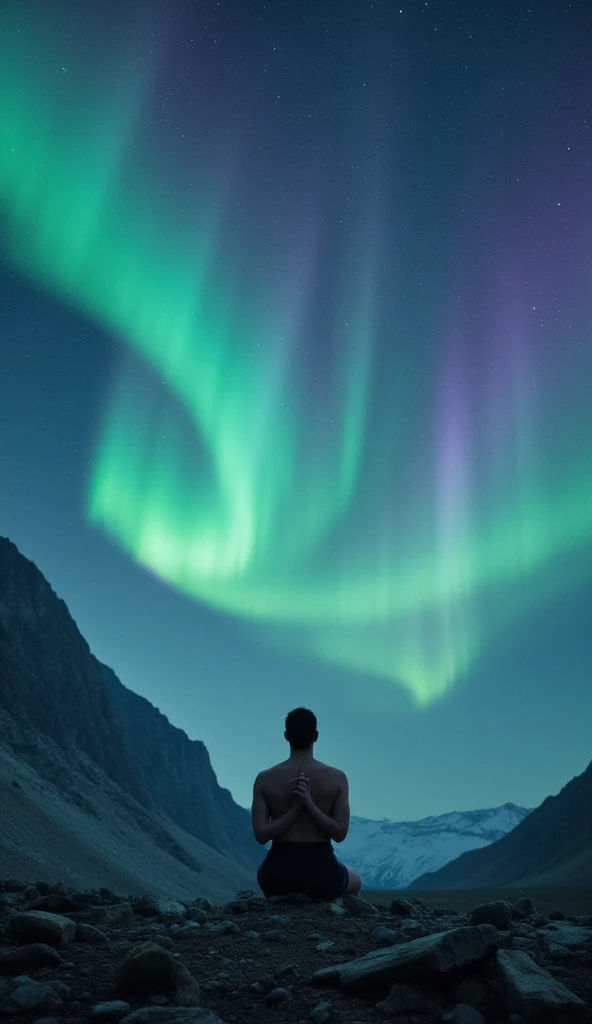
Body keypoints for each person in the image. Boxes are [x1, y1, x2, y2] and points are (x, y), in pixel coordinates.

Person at [251, 707, 362, 900]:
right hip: (321, 874)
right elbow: (339, 833)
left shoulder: (265, 779)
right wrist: (307, 805)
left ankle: (288, 896)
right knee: (355, 878)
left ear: (286, 736)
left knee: (264, 873)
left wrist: (297, 809)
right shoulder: (336, 778)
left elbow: (261, 835)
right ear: (316, 736)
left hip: (278, 875)